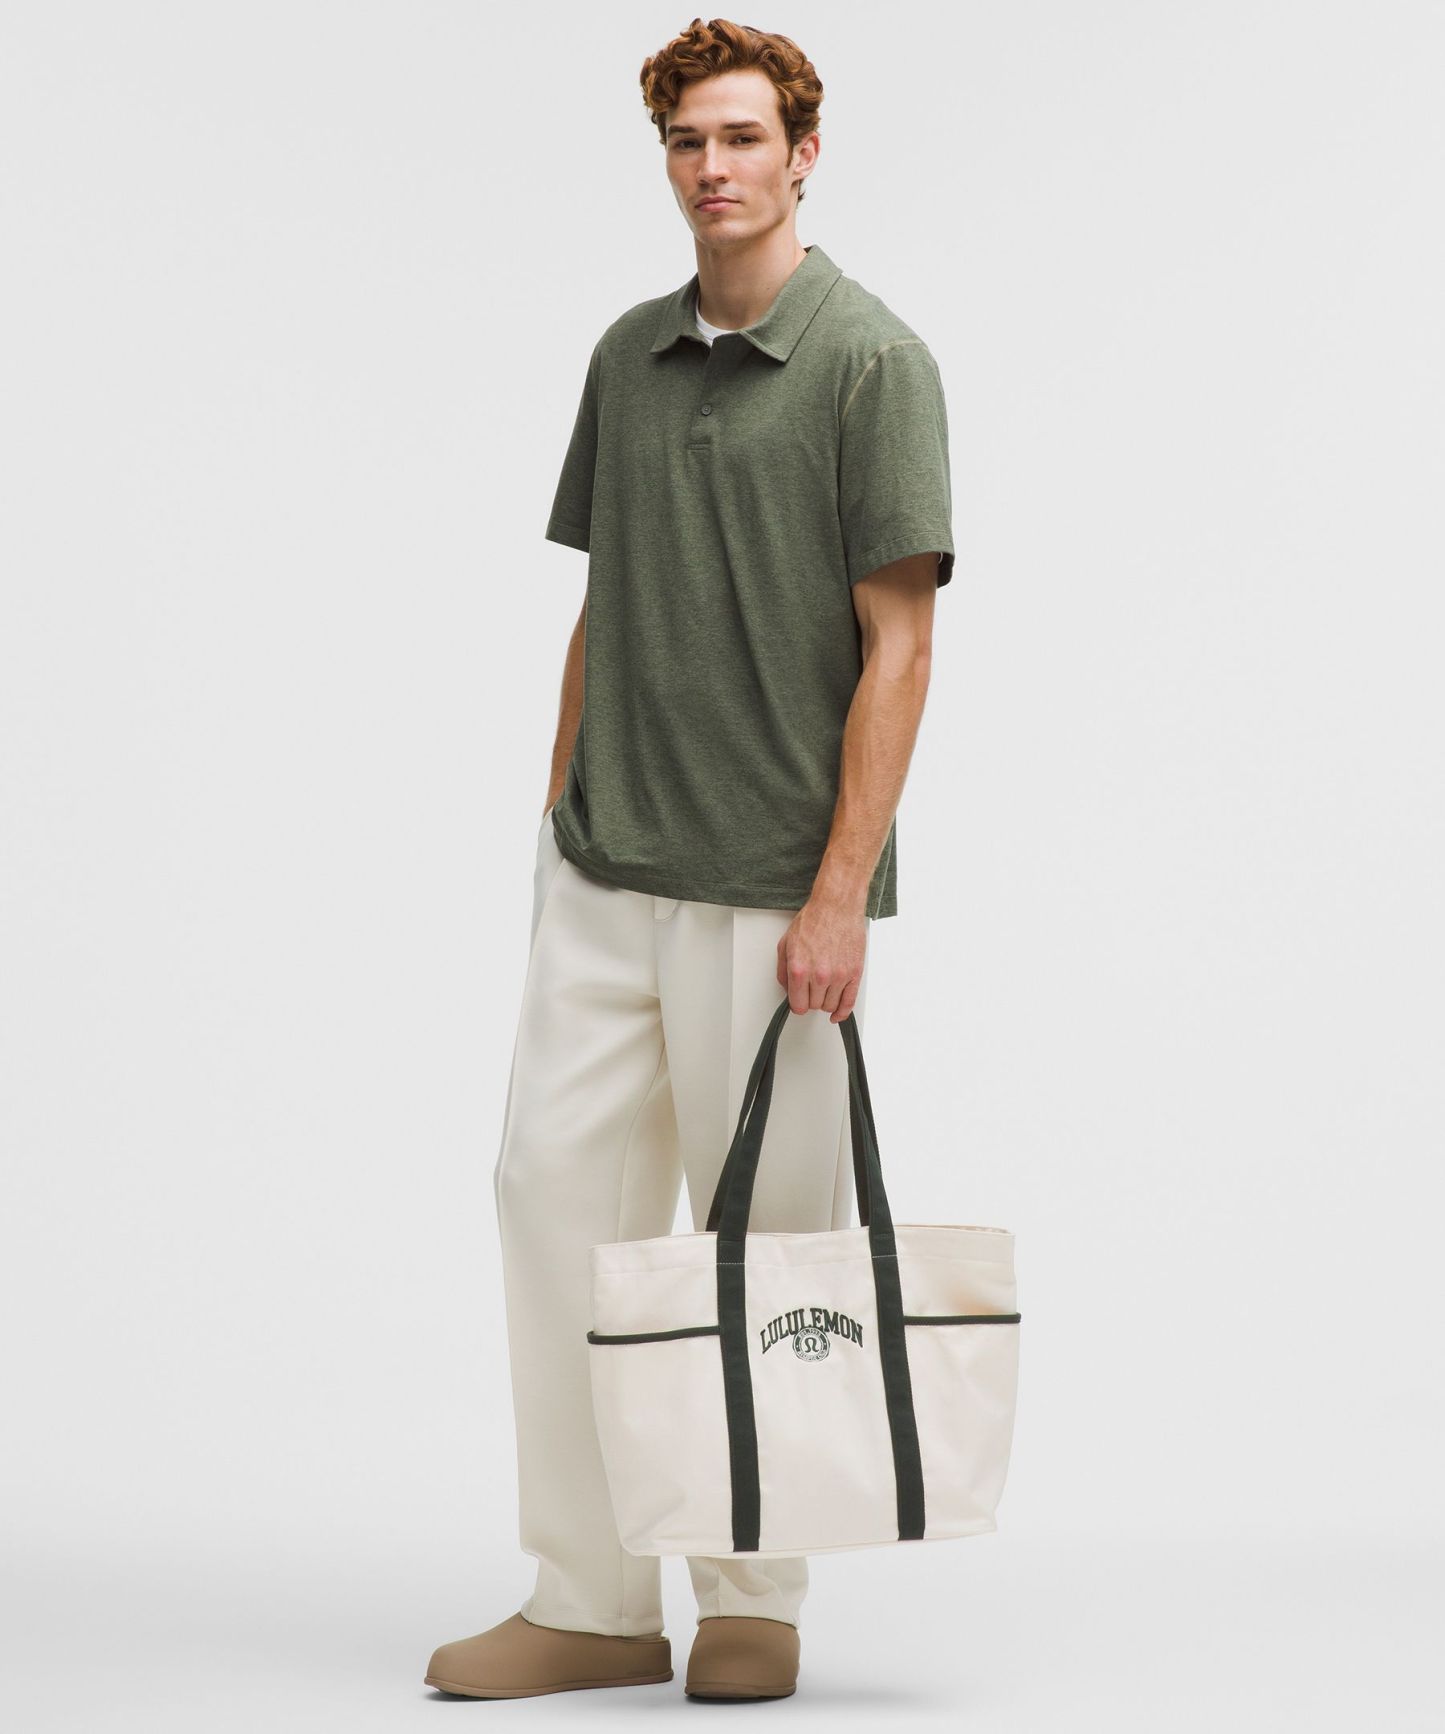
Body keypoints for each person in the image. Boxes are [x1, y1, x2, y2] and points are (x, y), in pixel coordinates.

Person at [425, 15, 954, 1704]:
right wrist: (555, 816)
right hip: (603, 868)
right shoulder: (625, 356)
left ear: (804, 154)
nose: (712, 167)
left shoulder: (871, 362)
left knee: (764, 1243)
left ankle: (750, 1591)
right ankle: (587, 1596)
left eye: (740, 137)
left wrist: (837, 892)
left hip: (770, 890)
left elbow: (899, 646)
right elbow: (609, 596)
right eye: (686, 141)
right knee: (552, 1208)